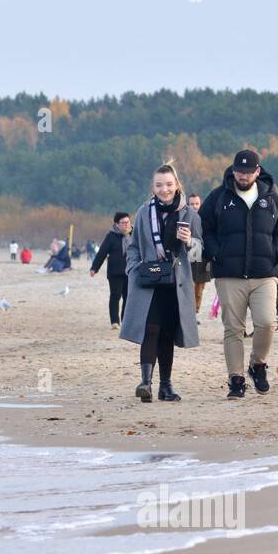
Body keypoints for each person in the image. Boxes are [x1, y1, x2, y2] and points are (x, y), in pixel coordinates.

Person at [200, 149, 278, 399]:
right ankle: (236, 379)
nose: (242, 176)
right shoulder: (218, 197)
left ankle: (257, 364)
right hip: (229, 274)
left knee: (266, 322)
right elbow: (204, 227)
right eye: (238, 171)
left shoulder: (272, 199)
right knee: (233, 328)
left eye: (247, 172)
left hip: (265, 273)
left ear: (257, 171)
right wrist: (215, 252)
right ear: (233, 170)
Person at [121, 162, 200, 402]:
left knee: (167, 333)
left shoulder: (190, 214)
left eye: (168, 184)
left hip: (176, 283)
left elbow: (200, 253)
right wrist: (133, 269)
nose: (163, 189)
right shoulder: (144, 211)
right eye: (158, 185)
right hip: (149, 280)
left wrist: (189, 243)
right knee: (150, 329)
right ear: (153, 187)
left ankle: (165, 386)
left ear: (177, 185)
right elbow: (133, 246)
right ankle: (145, 383)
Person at [91, 212, 132, 330]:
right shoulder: (111, 236)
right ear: (117, 224)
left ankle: (126, 320)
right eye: (123, 223)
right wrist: (94, 268)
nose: (126, 225)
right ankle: (115, 321)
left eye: (128, 222)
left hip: (131, 271)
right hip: (115, 272)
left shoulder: (135, 234)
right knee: (115, 295)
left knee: (129, 297)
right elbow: (102, 252)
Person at [186, 193, 211, 316]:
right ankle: (189, 314)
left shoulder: (206, 218)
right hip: (188, 257)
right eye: (192, 204)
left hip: (203, 257)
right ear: (188, 204)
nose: (194, 206)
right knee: (189, 287)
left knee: (199, 290)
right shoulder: (183, 218)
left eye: (197, 204)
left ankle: (196, 312)